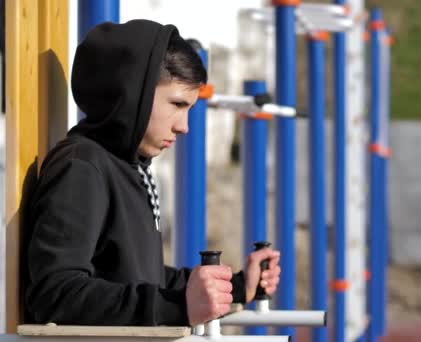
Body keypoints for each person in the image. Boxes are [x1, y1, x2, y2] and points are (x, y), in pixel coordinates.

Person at [24, 19, 280, 326]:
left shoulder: (128, 168)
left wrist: (234, 288)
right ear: (133, 93)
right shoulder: (82, 167)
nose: (183, 126)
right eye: (176, 104)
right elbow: (55, 295)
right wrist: (175, 307)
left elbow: (139, 278)